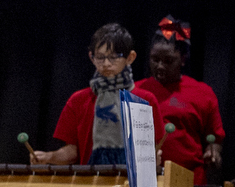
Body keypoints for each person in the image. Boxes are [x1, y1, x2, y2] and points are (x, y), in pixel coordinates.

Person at [31, 23, 157, 169]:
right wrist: (49, 157)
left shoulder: (145, 100)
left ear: (130, 57)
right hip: (91, 182)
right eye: (100, 57)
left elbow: (153, 150)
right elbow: (73, 153)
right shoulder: (78, 101)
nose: (106, 64)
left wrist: (154, 157)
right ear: (91, 57)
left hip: (131, 183)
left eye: (114, 57)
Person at [131, 17, 226, 186]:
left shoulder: (202, 92)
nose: (160, 66)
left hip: (190, 181)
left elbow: (215, 137)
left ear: (183, 58)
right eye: (155, 59)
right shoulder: (136, 91)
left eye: (168, 61)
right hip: (146, 180)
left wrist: (213, 152)